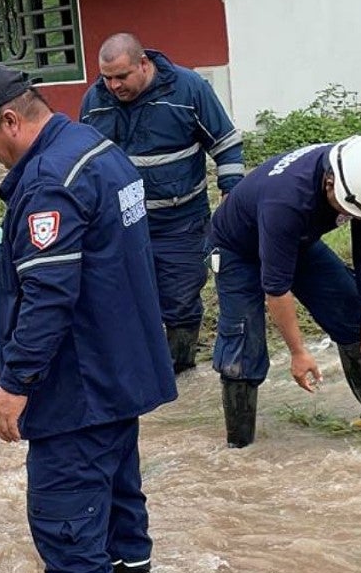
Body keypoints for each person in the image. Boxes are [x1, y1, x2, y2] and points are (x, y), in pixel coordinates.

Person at [0, 65, 177, 573]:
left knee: (64, 516)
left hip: (76, 388)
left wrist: (14, 385)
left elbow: (49, 294)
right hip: (118, 374)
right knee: (118, 499)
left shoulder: (50, 181)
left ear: (9, 120)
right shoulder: (98, 149)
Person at [207, 133, 361, 447]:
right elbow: (276, 289)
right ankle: (240, 446)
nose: (354, 219)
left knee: (351, 314)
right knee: (243, 345)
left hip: (298, 241)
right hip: (237, 249)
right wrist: (298, 353)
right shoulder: (285, 201)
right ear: (329, 184)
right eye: (350, 212)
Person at [80, 33, 244, 373]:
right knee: (125, 298)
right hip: (121, 223)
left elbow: (225, 144)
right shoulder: (94, 100)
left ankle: (178, 368)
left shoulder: (188, 89)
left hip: (180, 221)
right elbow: (85, 160)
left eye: (121, 77)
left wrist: (232, 195)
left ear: (143, 64)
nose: (113, 86)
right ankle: (139, 368)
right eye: (107, 78)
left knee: (180, 300)